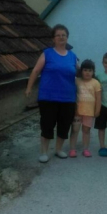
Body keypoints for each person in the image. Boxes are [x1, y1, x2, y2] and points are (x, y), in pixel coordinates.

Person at [25, 24, 77, 163]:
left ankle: (59, 150)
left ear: (67, 38)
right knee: (47, 124)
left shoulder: (73, 56)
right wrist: (29, 87)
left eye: (63, 35)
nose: (61, 37)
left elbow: (82, 74)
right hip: (48, 97)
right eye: (58, 35)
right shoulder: (47, 53)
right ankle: (44, 152)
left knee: (64, 125)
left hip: (68, 98)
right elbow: (35, 71)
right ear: (53, 39)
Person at [69, 60, 101, 157]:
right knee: (74, 130)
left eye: (90, 70)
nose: (87, 72)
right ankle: (72, 149)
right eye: (85, 70)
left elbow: (98, 98)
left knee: (86, 131)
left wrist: (97, 110)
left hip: (89, 112)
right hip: (77, 112)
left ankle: (85, 149)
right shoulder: (77, 81)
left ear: (93, 72)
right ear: (81, 71)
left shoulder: (96, 83)